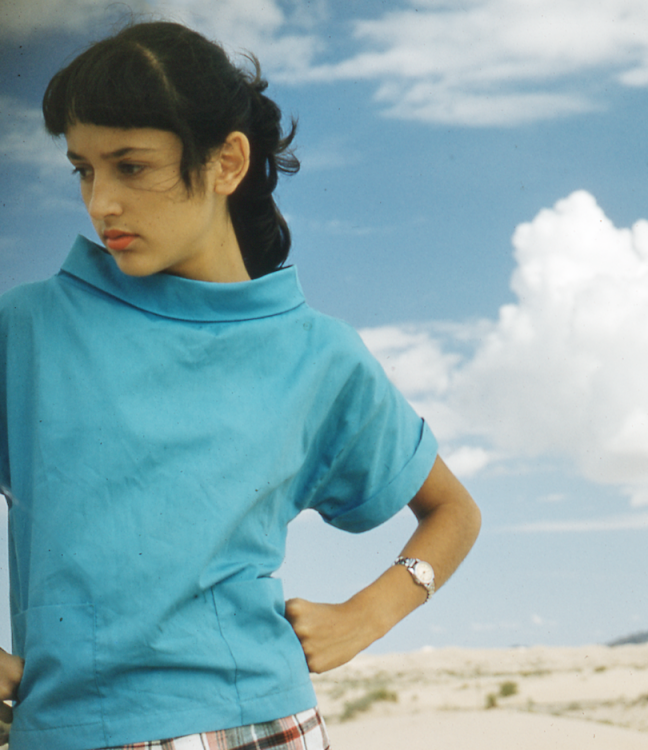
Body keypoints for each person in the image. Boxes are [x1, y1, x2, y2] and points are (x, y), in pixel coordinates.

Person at [0, 20, 481, 750]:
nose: (101, 203)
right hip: (70, 732)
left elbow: (453, 512)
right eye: (84, 169)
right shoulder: (29, 328)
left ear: (226, 162)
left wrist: (372, 611)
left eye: (131, 166)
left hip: (267, 726)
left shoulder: (317, 355)